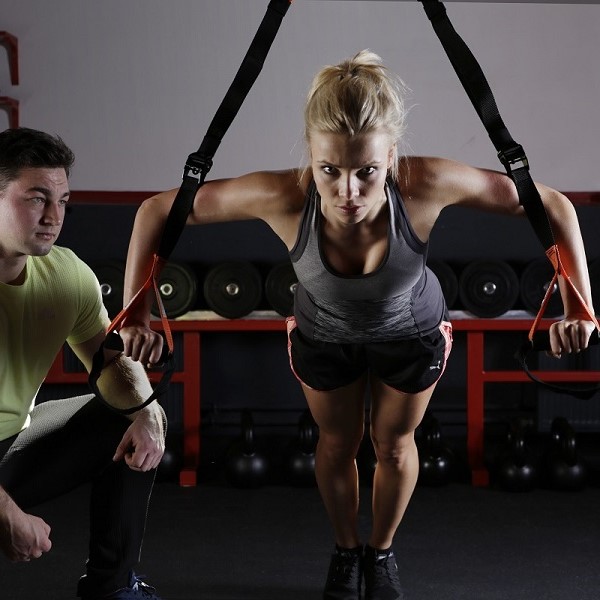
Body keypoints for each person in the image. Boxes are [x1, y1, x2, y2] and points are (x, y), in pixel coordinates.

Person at [119, 51, 596, 600]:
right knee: (337, 442)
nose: (348, 191)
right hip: (326, 335)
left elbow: (552, 205)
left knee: (393, 445)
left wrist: (577, 304)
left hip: (411, 334)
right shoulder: (284, 195)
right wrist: (137, 309)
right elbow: (158, 209)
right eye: (330, 170)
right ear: (312, 157)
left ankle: (382, 551)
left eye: (366, 171)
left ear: (391, 156)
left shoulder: (424, 183)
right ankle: (347, 552)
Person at [0, 127, 166, 600]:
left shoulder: (66, 273)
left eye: (63, 201)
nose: (54, 217)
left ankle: (113, 588)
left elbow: (111, 363)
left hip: (10, 444)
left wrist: (148, 415)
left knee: (134, 408)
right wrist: (6, 514)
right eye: (36, 199)